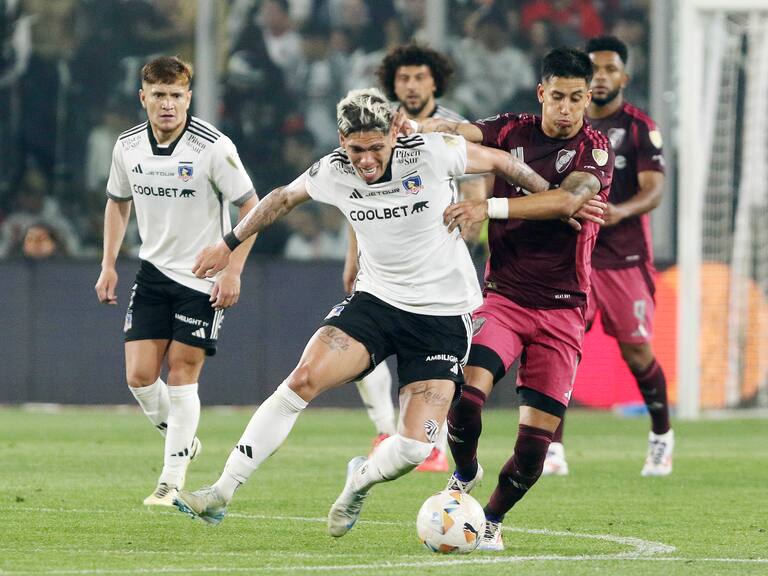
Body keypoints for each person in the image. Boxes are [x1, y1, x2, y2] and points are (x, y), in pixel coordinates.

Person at [171, 87, 597, 534]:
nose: (367, 160)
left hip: (443, 317)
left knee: (414, 449)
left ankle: (360, 480)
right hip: (377, 303)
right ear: (342, 141)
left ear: (394, 135)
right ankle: (221, 491)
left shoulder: (432, 152)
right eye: (356, 149)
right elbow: (280, 198)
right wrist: (228, 244)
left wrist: (553, 200)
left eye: (376, 147)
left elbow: (502, 162)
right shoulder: (333, 170)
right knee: (302, 379)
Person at [411, 47, 614, 551]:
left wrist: (489, 206)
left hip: (564, 309)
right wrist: (420, 126)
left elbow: (568, 199)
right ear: (542, 93)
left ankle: (490, 520)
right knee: (466, 396)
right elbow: (458, 131)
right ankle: (465, 472)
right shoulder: (512, 130)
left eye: (577, 98)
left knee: (533, 451)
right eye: (558, 96)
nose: (567, 108)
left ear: (588, 98)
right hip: (504, 298)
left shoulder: (596, 150)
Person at [94, 56, 259, 507]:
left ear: (188, 98)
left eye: (176, 95)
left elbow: (252, 208)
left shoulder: (213, 147)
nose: (167, 104)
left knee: (183, 371)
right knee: (139, 377)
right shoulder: (127, 146)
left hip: (202, 277)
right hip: (152, 272)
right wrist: (108, 264)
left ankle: (170, 480)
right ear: (142, 97)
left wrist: (232, 269)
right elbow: (117, 202)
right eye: (159, 95)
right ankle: (183, 441)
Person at [344, 42, 489, 472]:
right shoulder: (375, 122)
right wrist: (352, 257)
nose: (411, 85)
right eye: (403, 77)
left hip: (440, 261)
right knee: (359, 341)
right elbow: (357, 195)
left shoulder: (452, 126)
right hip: (382, 260)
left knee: (439, 357)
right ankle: (384, 428)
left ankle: (433, 441)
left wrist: (460, 239)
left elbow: (475, 186)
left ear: (435, 82)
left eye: (420, 77)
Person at [543, 36, 672, 478]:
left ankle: (661, 437)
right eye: (594, 69)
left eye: (610, 69)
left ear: (624, 77)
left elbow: (654, 189)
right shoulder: (565, 127)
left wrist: (622, 211)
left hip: (624, 258)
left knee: (637, 352)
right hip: (574, 256)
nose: (601, 77)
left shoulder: (638, 128)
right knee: (559, 349)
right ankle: (552, 448)